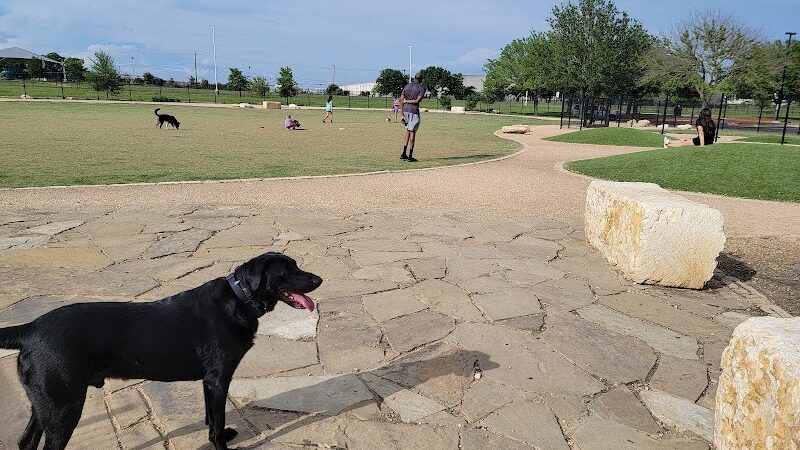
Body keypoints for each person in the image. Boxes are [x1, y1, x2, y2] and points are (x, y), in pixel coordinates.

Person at [399, 73, 425, 162]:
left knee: (408, 131)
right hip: (413, 111)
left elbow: (401, 100)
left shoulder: (407, 86)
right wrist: (408, 101)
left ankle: (403, 153)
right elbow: (417, 100)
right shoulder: (421, 88)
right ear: (421, 79)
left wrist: (402, 114)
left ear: (414, 78)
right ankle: (410, 155)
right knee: (412, 132)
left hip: (405, 111)